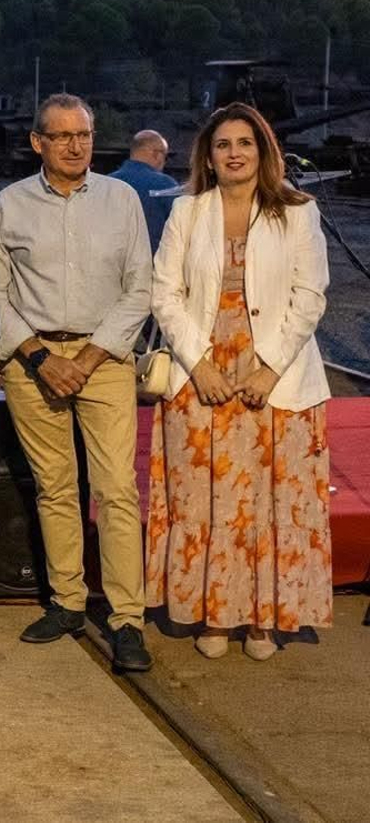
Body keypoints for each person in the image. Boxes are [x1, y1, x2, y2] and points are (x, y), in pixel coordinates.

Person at [147, 103, 332, 661]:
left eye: (244, 143)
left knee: (269, 503)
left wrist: (269, 365)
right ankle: (214, 616)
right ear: (208, 154)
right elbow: (163, 294)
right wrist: (199, 363)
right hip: (199, 377)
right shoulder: (187, 212)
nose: (233, 153)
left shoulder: (298, 212)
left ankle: (262, 621)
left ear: (263, 151)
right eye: (223, 144)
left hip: (279, 378)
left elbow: (311, 296)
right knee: (205, 502)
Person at [0, 93, 154, 672]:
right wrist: (38, 356)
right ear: (38, 143)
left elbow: (140, 289)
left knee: (115, 490)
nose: (75, 145)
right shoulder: (9, 204)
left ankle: (127, 618)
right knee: (55, 487)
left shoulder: (122, 199)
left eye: (82, 135)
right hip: (32, 364)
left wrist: (85, 359)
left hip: (103, 360)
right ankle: (66, 601)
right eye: (61, 136)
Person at [110, 129, 179, 251]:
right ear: (157, 154)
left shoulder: (107, 183)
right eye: (165, 157)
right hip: (153, 265)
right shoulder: (166, 185)